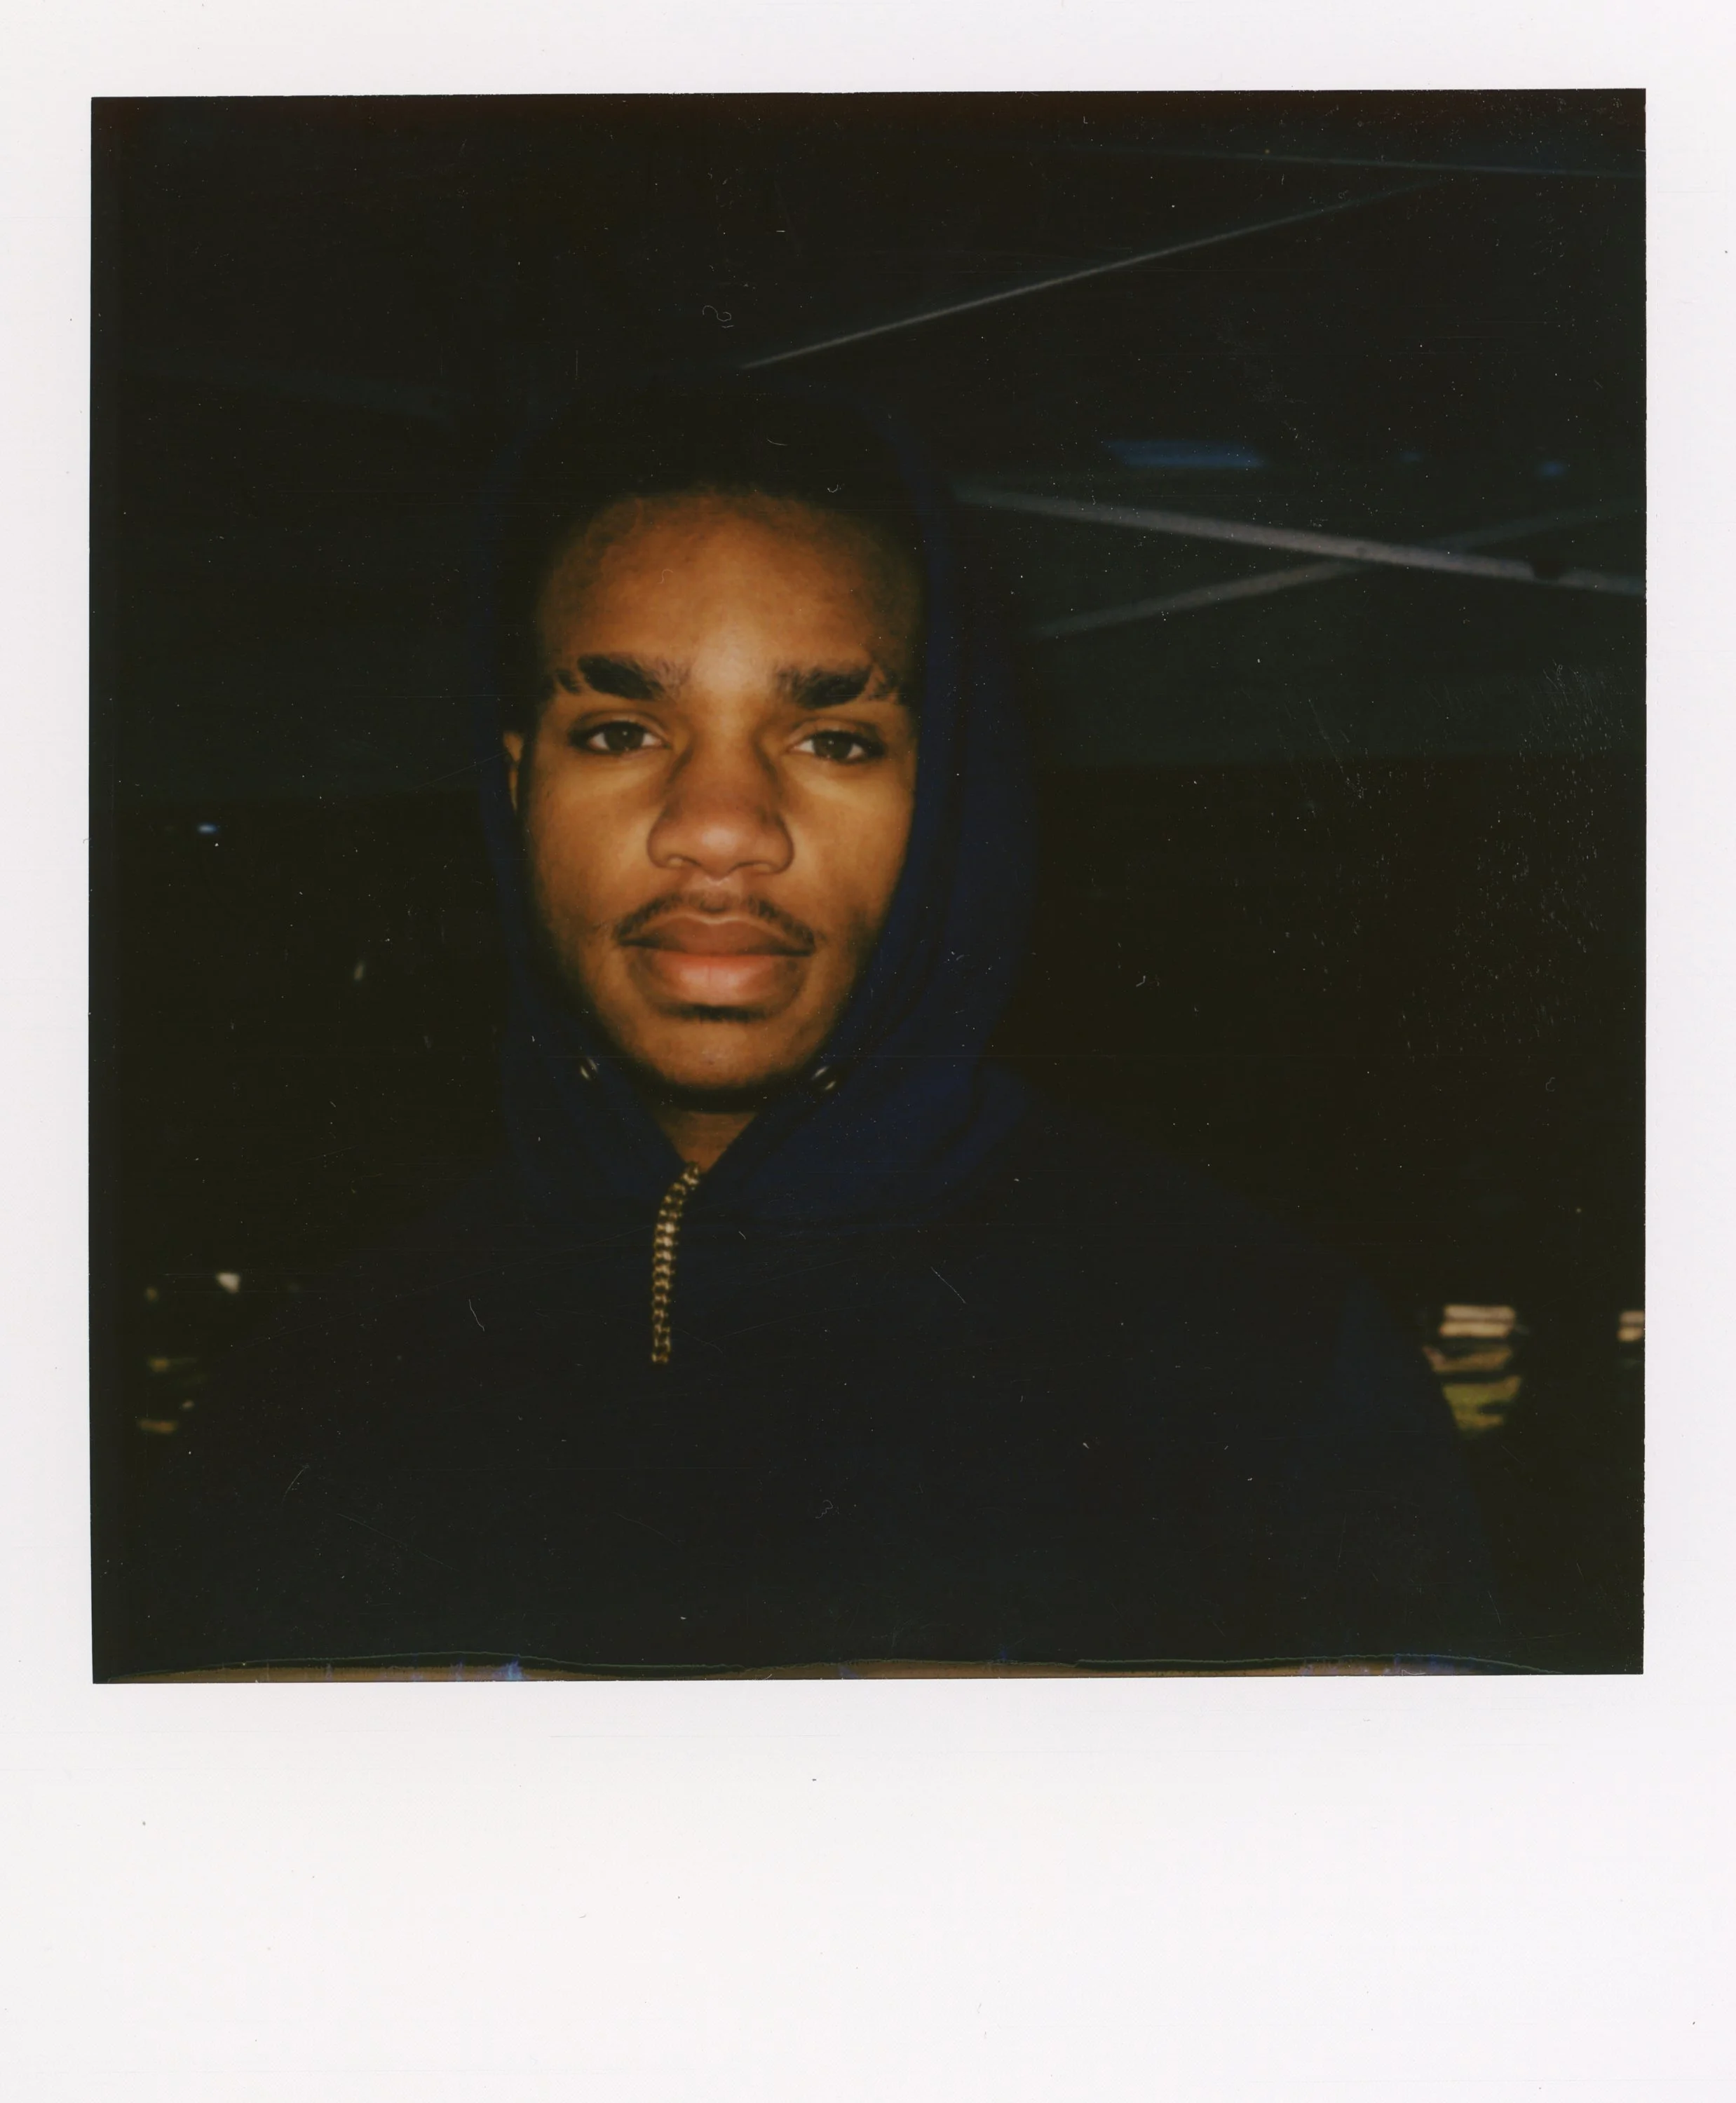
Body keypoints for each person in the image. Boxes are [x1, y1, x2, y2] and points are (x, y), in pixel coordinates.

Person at [118, 378, 1500, 1676]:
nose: (717, 829)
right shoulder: (306, 1398)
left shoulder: (1257, 1364)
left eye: (833, 739)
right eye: (616, 730)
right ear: (516, 785)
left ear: (952, 798)